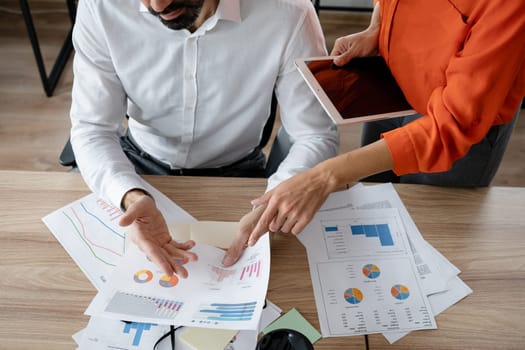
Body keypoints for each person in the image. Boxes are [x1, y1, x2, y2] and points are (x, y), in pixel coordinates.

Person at [222, 0, 525, 265]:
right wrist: (376, 30)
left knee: (432, 243)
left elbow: (451, 127)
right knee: (374, 222)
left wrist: (326, 175)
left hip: (455, 135)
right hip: (390, 91)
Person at [69, 0, 339, 277]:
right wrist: (128, 194)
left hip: (239, 174)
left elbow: (314, 134)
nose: (157, 5)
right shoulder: (101, 7)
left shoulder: (289, 14)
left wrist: (276, 199)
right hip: (136, 165)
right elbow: (92, 127)